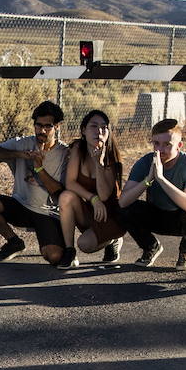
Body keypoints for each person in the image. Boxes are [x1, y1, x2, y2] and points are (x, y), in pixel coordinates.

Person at [0, 101, 71, 264]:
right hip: (21, 205)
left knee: (54, 256)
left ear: (57, 126)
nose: (42, 130)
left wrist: (39, 169)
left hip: (47, 212)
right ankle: (14, 242)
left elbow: (59, 192)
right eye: (38, 125)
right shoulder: (24, 143)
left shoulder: (64, 153)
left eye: (48, 126)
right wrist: (20, 154)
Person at [117, 118, 186, 271]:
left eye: (167, 145)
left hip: (180, 219)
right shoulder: (145, 162)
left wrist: (161, 178)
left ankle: (185, 253)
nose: (160, 150)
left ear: (179, 146)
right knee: (125, 209)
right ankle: (151, 247)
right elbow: (123, 202)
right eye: (156, 144)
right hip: (156, 215)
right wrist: (148, 180)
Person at [58, 109, 126, 267]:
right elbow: (70, 183)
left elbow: (103, 195)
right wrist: (92, 199)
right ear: (83, 130)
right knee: (66, 196)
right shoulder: (77, 149)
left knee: (85, 244)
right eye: (94, 126)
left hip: (111, 215)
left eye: (104, 127)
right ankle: (69, 251)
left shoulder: (112, 157)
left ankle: (113, 239)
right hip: (93, 209)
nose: (99, 131)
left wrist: (98, 163)